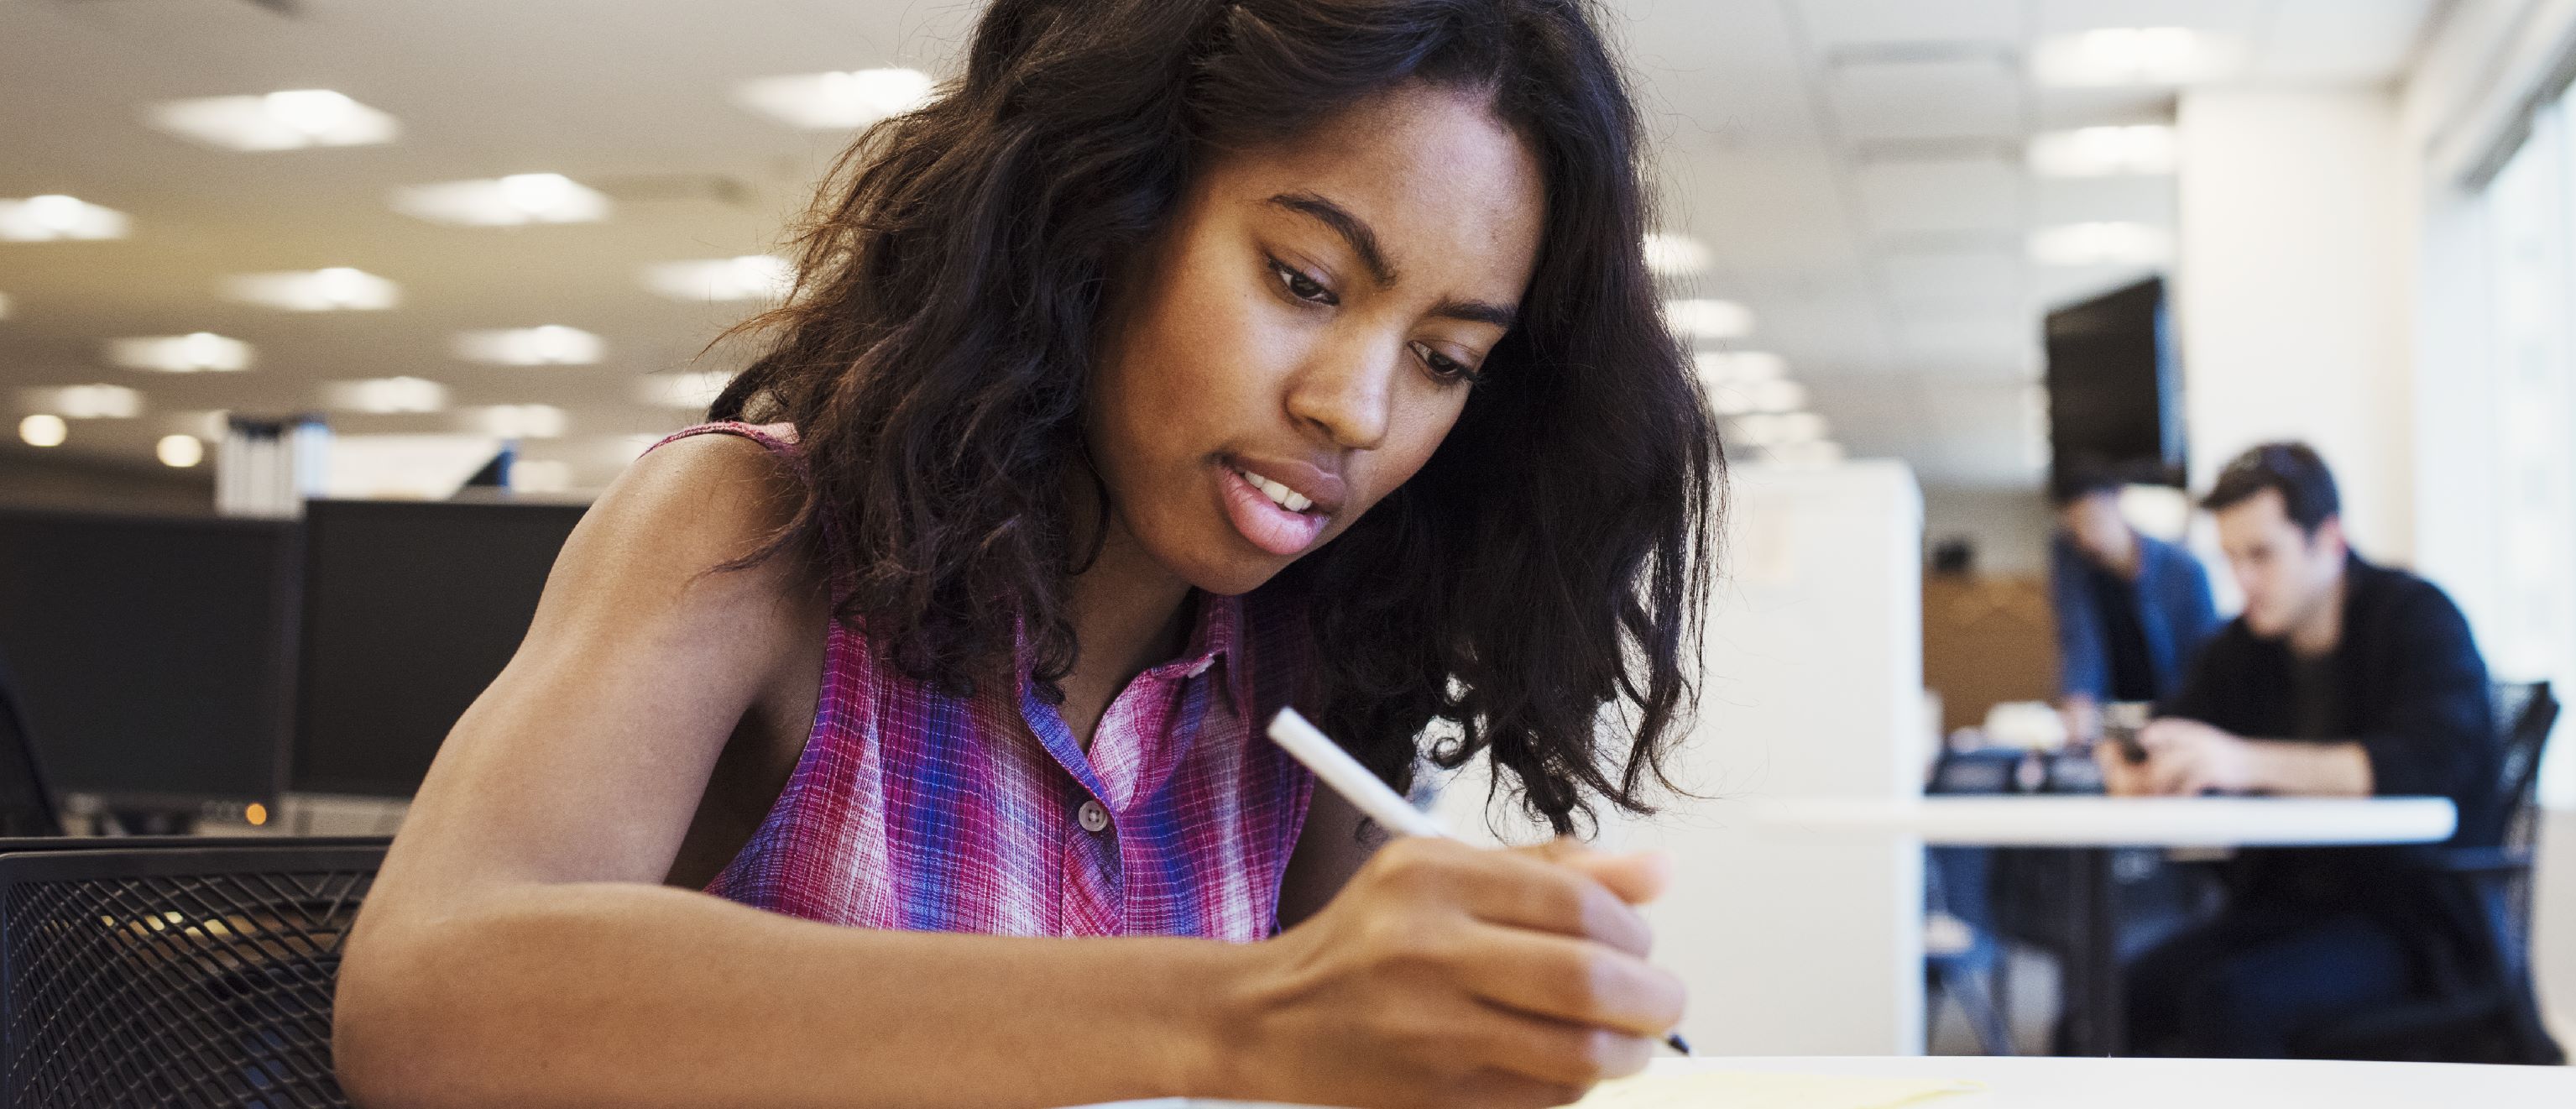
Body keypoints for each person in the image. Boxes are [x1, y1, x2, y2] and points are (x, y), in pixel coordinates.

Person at [330, 2, 1720, 1106]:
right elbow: (424, 992)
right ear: (1101, 213)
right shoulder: (757, 539)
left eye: (1444, 358)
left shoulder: (1309, 672)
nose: (1354, 410)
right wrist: (1235, 1017)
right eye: (1302, 282)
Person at [2106, 442, 2500, 1058]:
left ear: (2329, 540)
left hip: (2411, 919)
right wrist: (2133, 763)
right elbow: (2172, 728)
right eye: (2232, 558)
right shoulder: (2244, 646)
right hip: (2286, 908)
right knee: (2114, 998)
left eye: (2262, 554)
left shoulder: (2419, 618)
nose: (2243, 580)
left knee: (2228, 1000)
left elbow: (2424, 763)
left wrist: (2241, 761)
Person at [2047, 460, 2221, 740]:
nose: (2089, 538)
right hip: (2111, 722)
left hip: (2175, 718)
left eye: (2094, 520)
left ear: (2119, 501)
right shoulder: (2074, 562)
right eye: (2076, 527)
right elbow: (2078, 641)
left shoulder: (2185, 570)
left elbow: (2206, 660)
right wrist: (2078, 699)